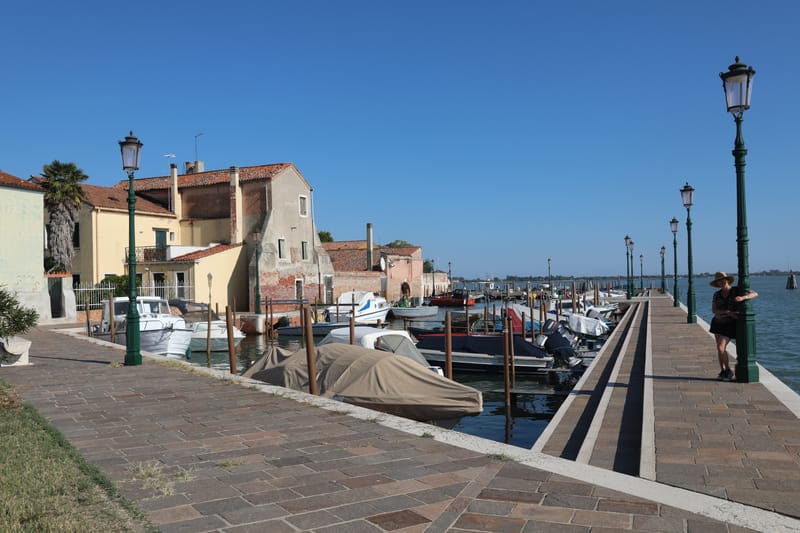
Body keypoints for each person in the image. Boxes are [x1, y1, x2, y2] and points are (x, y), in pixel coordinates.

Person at [709, 271, 758, 381]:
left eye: (722, 280)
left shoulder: (736, 290)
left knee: (720, 347)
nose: (721, 282)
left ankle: (728, 371)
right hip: (717, 322)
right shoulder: (717, 294)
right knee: (720, 349)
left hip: (730, 324)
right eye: (718, 281)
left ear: (727, 280)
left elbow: (755, 294)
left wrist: (743, 298)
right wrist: (726, 312)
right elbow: (714, 310)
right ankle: (723, 371)